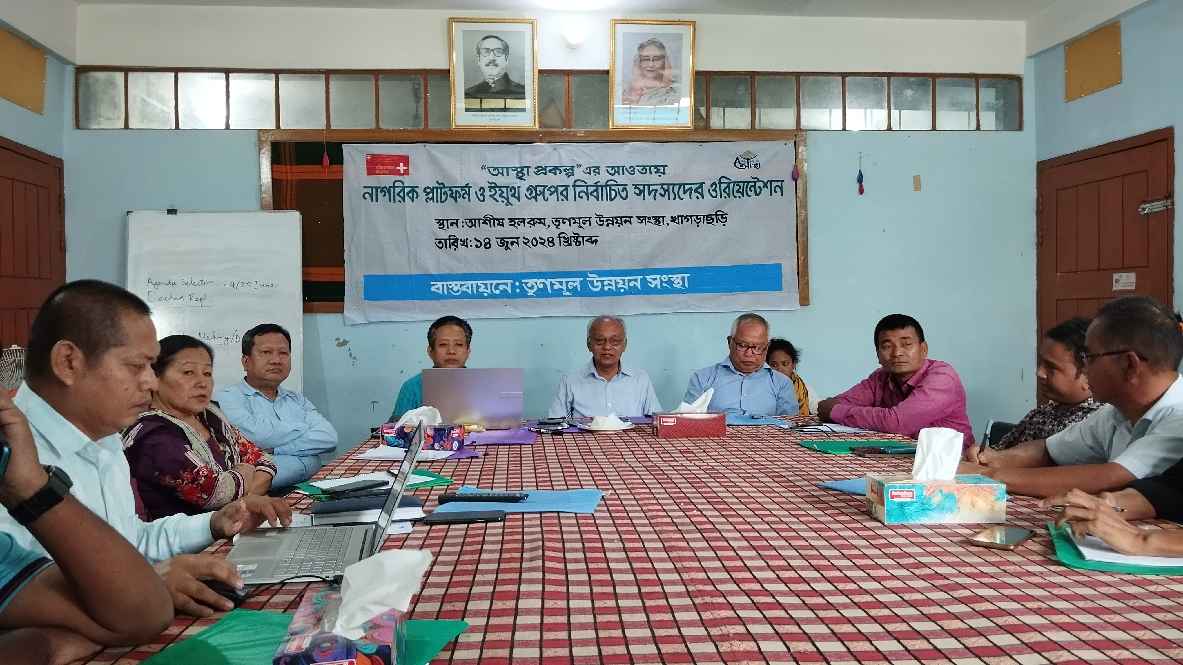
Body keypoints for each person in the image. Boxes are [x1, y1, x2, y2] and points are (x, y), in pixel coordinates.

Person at [0, 280, 292, 619]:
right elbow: (30, 601)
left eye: (152, 368)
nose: (151, 383)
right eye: (136, 366)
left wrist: (215, 523)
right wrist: (147, 584)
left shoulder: (105, 436)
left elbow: (131, 540)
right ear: (68, 362)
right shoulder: (12, 457)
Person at [0, 394, 173, 665]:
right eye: (135, 369)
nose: (151, 383)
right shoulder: (153, 434)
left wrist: (30, 486)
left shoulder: (108, 442)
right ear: (66, 369)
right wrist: (46, 644)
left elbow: (140, 612)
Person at [962, 296, 1183, 498]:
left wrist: (987, 475)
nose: (1084, 368)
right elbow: (1049, 450)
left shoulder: (1178, 418)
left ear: (1129, 365)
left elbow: (1112, 478)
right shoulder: (1115, 412)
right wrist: (996, 459)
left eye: (1089, 357)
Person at [125, 335, 277, 520]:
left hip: (235, 525)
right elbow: (215, 494)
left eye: (207, 373)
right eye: (188, 372)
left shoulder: (210, 416)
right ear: (155, 378)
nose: (202, 383)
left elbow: (264, 461)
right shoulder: (152, 435)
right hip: (188, 536)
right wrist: (246, 475)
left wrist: (240, 494)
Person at [817, 314, 973, 442]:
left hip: (955, 461)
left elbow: (897, 422)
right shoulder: (880, 376)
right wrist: (834, 409)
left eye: (906, 344)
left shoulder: (942, 377)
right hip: (900, 454)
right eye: (887, 346)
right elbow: (836, 403)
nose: (897, 353)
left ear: (923, 349)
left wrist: (835, 411)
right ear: (878, 354)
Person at [215, 324, 337, 487]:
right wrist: (304, 429)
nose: (276, 360)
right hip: (256, 494)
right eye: (266, 352)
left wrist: (275, 450)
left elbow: (328, 438)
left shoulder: (296, 399)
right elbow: (257, 437)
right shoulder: (228, 398)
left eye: (283, 353)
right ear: (246, 362)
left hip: (305, 486)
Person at [990, 317, 1102, 449]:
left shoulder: (1098, 423)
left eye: (1051, 367)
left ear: (1087, 374)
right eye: (1040, 363)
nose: (1039, 373)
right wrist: (980, 455)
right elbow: (998, 452)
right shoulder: (1041, 414)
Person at [684, 313, 799, 416]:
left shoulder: (781, 383)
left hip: (766, 434)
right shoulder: (703, 378)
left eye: (757, 347)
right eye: (742, 345)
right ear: (730, 342)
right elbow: (689, 422)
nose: (749, 353)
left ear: (767, 347)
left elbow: (788, 426)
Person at [548, 316, 662, 419]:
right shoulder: (570, 381)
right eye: (599, 341)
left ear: (624, 345)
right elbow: (556, 425)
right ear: (589, 344)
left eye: (615, 341)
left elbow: (657, 422)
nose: (607, 347)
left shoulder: (640, 379)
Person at [390, 316, 472, 421]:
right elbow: (397, 428)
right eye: (443, 344)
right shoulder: (412, 387)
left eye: (459, 344)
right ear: (430, 352)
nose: (451, 351)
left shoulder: (482, 385)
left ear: (468, 351)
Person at [463, 35, 525, 104]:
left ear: (506, 59)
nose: (491, 58)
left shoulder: (523, 93)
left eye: (498, 52)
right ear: (478, 60)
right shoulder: (468, 94)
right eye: (486, 52)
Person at [622, 37, 680, 106]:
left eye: (656, 59)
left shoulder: (675, 90)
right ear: (639, 62)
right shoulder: (626, 90)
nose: (651, 65)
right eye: (646, 59)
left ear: (665, 61)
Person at [766, 338, 817, 416]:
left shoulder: (804, 389)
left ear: (793, 364)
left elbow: (817, 408)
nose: (780, 369)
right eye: (774, 365)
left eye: (785, 364)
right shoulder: (761, 388)